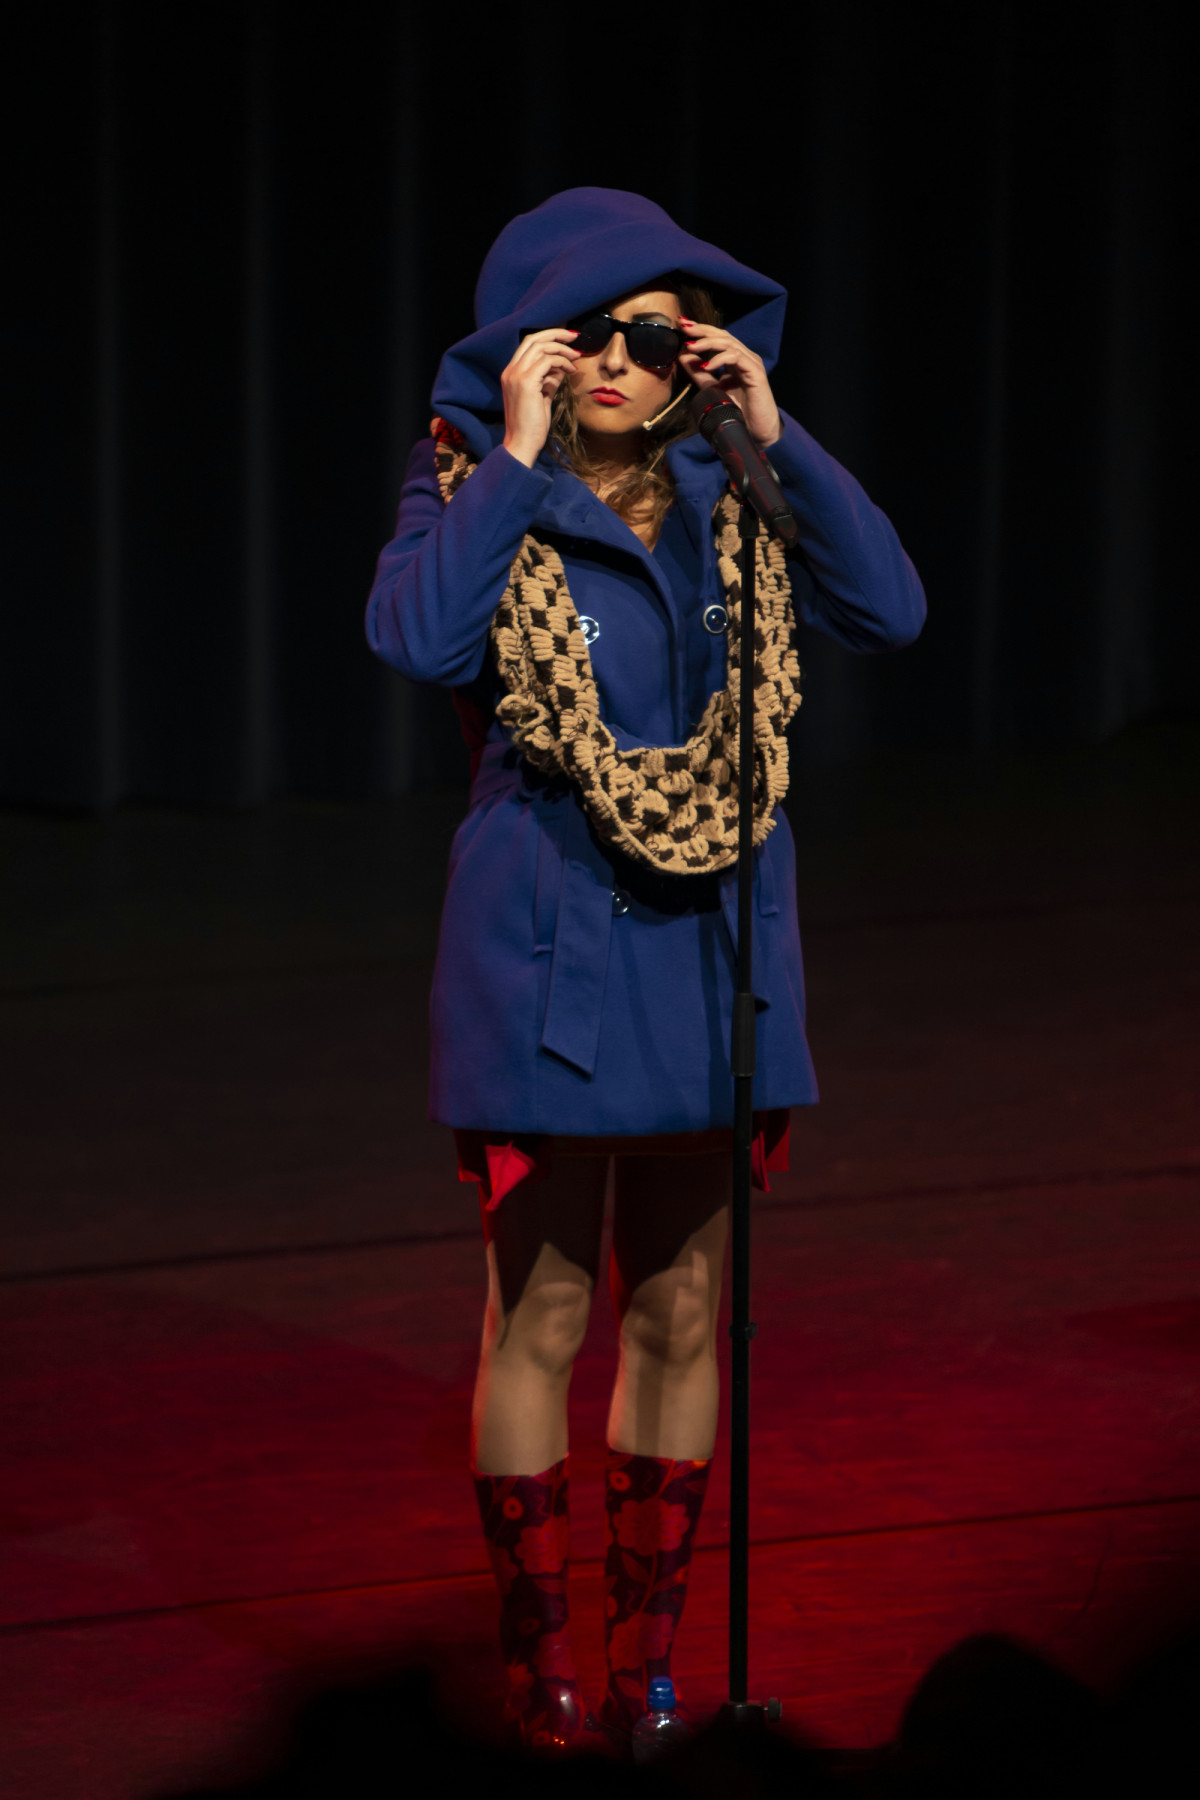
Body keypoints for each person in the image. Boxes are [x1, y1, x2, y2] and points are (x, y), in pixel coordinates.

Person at [366, 188, 925, 1751]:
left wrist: (779, 434)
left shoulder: (736, 484)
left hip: (712, 950)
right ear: (530, 348)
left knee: (682, 1311)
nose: (620, 360)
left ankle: (646, 1674)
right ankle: (539, 1674)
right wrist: (515, 453)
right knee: (537, 1315)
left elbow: (889, 610)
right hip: (545, 940)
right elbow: (417, 641)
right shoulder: (466, 480)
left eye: (654, 335)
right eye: (588, 334)